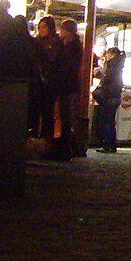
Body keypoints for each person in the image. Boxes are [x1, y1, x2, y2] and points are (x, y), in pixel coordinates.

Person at [0, 1, 42, 136]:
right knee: (21, 112)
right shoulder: (24, 38)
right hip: (26, 78)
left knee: (10, 111)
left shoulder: (2, 31)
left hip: (11, 77)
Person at [48, 19, 85, 159]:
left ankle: (65, 149)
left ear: (68, 31)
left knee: (65, 116)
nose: (60, 32)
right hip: (64, 85)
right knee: (63, 116)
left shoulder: (72, 47)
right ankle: (64, 147)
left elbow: (67, 66)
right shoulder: (68, 45)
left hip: (66, 85)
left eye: (63, 30)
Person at [94, 45, 126, 152]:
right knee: (111, 121)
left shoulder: (112, 65)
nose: (106, 56)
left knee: (107, 121)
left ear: (112, 54)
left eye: (107, 54)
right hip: (115, 96)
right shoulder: (118, 65)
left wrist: (99, 76)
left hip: (109, 96)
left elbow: (108, 80)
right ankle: (112, 145)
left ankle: (107, 145)